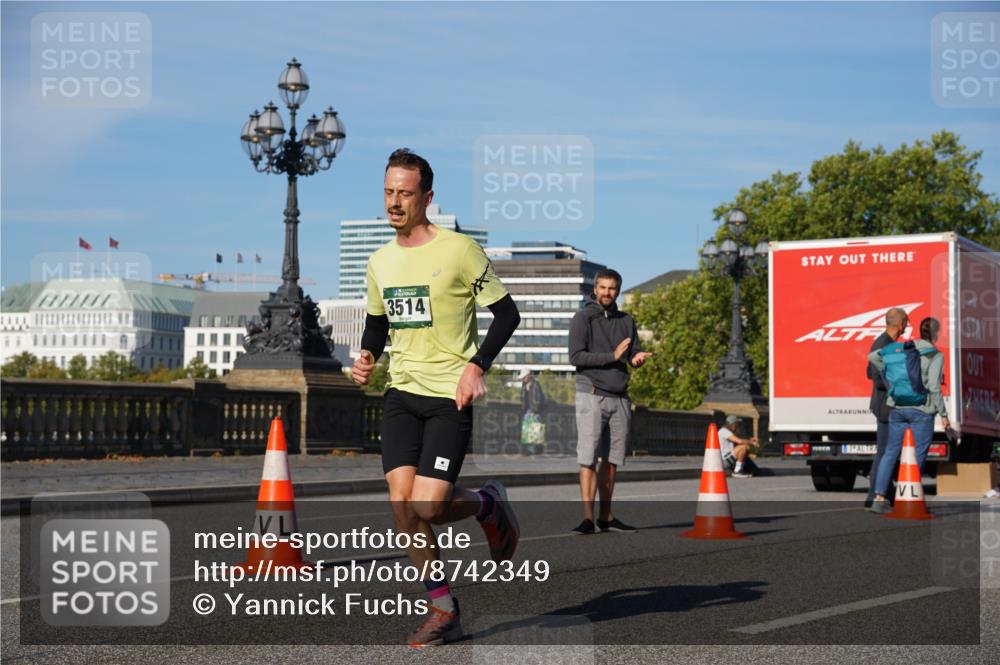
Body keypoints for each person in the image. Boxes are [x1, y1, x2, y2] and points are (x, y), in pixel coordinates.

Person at [352, 148, 521, 647]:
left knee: (428, 506)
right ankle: (443, 608)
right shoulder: (379, 260)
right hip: (401, 393)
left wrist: (475, 367)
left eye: (405, 193)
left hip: (451, 395)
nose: (395, 202)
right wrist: (367, 356)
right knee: (402, 506)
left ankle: (488, 503)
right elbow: (379, 322)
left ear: (427, 197)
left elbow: (507, 315)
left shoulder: (459, 250)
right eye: (388, 192)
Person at [568, 268, 652, 535]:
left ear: (618, 290)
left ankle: (606, 516)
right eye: (602, 287)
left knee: (613, 460)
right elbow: (576, 357)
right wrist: (612, 356)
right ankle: (586, 517)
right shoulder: (582, 318)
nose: (607, 292)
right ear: (595, 288)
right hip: (591, 393)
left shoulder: (627, 320)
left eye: (612, 288)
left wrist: (635, 359)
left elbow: (631, 353)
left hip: (620, 397)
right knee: (588, 458)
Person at [867, 316, 950, 514]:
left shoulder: (905, 348)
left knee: (890, 453)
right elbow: (934, 388)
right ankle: (909, 498)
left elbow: (873, 357)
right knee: (917, 456)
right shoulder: (934, 355)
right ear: (936, 334)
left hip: (897, 408)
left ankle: (879, 498)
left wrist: (888, 375)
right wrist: (944, 415)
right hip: (921, 411)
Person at [864, 307, 908, 509]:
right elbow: (877, 378)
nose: (907, 326)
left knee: (888, 452)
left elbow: (868, 372)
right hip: (886, 407)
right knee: (885, 452)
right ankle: (875, 495)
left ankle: (884, 493)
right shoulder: (885, 345)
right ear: (900, 324)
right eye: (906, 322)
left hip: (885, 405)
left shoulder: (883, 343)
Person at [519, 369, 546, 455]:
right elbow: (523, 398)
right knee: (528, 430)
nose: (523, 379)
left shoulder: (535, 385)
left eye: (524, 377)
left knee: (535, 430)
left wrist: (534, 410)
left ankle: (533, 450)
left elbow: (538, 398)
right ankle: (531, 449)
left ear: (529, 376)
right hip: (527, 410)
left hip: (535, 411)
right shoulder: (524, 385)